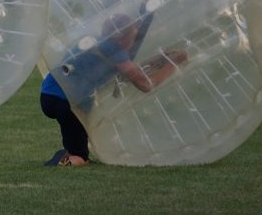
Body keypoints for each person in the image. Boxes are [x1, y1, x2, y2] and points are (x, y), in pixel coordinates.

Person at [40, 12, 187, 166]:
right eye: (133, 36)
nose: (133, 41)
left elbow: (131, 71)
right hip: (66, 101)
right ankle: (62, 164)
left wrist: (162, 58)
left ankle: (65, 156)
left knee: (75, 143)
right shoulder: (114, 49)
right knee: (80, 156)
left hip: (50, 95)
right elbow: (145, 84)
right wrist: (173, 63)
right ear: (121, 38)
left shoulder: (99, 42)